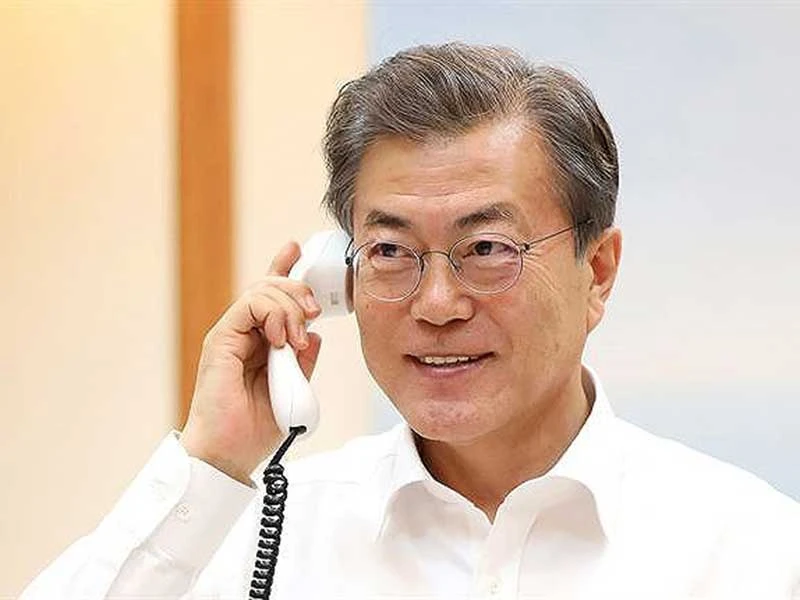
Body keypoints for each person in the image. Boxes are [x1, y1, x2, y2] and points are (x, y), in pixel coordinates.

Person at [21, 42, 799, 600]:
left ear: (597, 271)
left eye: (486, 249)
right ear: (338, 276)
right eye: (391, 251)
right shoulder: (257, 533)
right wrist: (210, 463)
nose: (436, 304)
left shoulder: (752, 549)